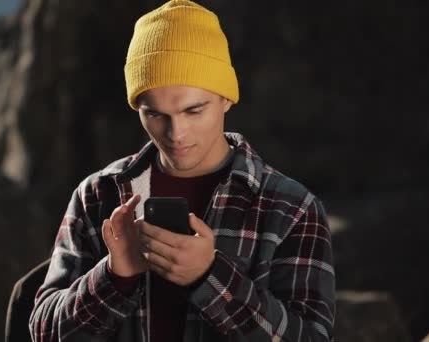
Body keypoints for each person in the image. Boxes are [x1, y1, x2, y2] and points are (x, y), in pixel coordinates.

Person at [29, 1, 335, 341]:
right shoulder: (98, 194)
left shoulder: (292, 209)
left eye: (194, 110)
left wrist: (210, 276)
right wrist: (115, 277)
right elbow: (42, 331)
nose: (176, 134)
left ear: (226, 99)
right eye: (155, 114)